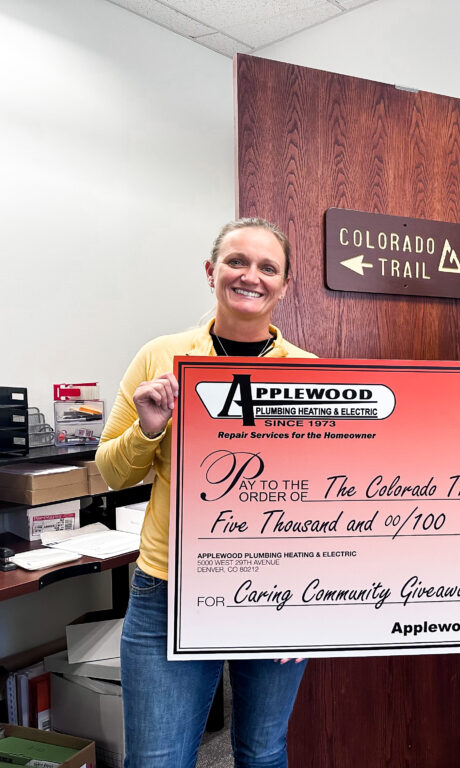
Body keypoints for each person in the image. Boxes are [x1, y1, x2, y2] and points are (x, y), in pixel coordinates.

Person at [96, 218, 315, 768]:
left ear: (285, 285)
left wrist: (315, 606)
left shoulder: (311, 374)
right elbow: (112, 474)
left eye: (269, 268)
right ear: (211, 271)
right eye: (237, 261)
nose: (251, 276)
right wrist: (149, 429)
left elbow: (326, 500)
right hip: (170, 590)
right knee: (156, 760)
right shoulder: (160, 357)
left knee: (263, 752)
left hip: (276, 591)